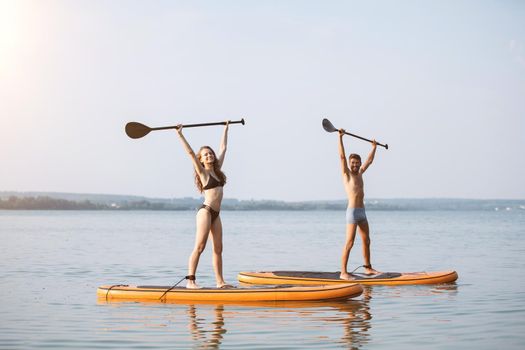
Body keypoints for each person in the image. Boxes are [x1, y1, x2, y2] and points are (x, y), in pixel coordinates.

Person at [175, 121, 233, 289]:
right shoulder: (203, 172)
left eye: (210, 154)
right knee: (200, 247)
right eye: (205, 155)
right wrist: (180, 134)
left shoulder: (218, 169)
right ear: (201, 159)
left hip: (216, 214)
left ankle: (220, 282)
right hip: (206, 212)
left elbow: (223, 148)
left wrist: (226, 128)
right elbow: (191, 153)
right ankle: (190, 281)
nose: (209, 156)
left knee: (218, 249)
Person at [338, 128, 380, 280]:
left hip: (362, 212)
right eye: (353, 163)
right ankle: (343, 272)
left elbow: (369, 161)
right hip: (352, 213)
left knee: (367, 240)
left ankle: (368, 268)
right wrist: (340, 138)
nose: (355, 165)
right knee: (349, 243)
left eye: (357, 163)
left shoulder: (361, 173)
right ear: (350, 164)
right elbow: (342, 157)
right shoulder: (346, 174)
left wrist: (374, 147)